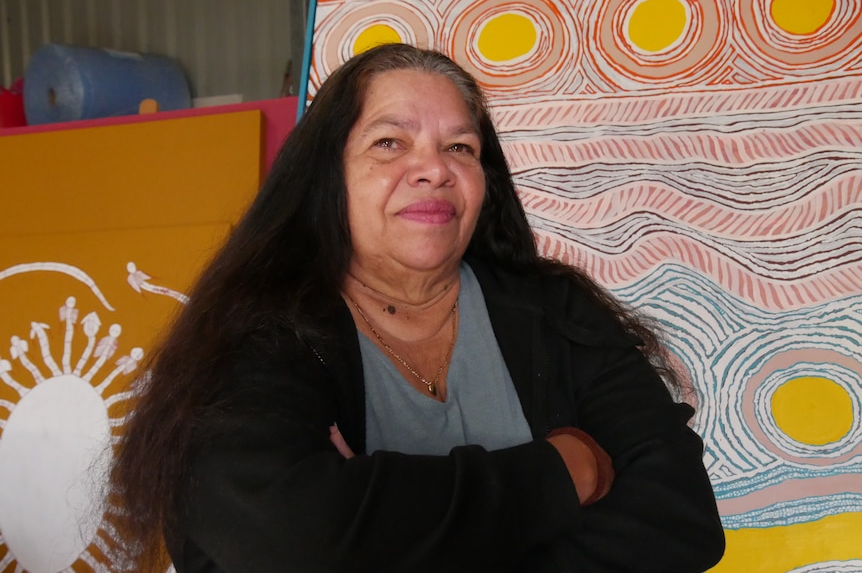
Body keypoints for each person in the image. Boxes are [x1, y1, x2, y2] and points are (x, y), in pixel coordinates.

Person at [111, 43, 725, 572]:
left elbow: (683, 518)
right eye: (389, 142)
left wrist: (384, 527)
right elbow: (292, 539)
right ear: (329, 177)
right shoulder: (261, 332)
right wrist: (567, 473)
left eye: (460, 147)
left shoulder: (553, 311)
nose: (432, 169)